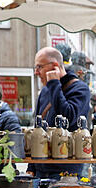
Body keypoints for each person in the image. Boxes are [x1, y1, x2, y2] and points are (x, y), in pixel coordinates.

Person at [32, 46, 91, 180]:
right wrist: (32, 167)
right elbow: (37, 127)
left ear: (55, 66)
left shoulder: (80, 89)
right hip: (41, 169)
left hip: (66, 171)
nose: (36, 72)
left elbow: (68, 118)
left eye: (39, 67)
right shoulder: (46, 91)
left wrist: (54, 83)